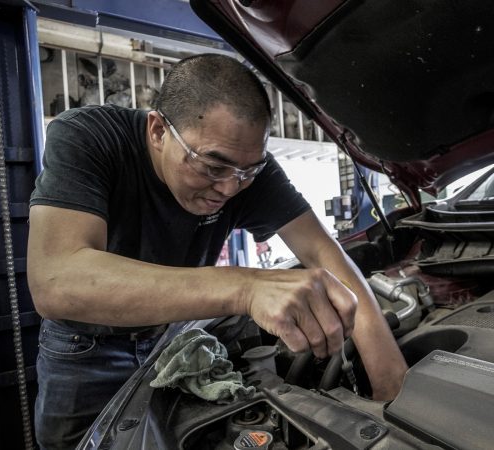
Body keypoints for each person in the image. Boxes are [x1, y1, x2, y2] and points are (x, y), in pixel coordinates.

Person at [27, 54, 408, 449]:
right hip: (86, 351)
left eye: (248, 172)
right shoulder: (91, 137)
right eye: (211, 167)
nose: (230, 189)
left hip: (173, 339)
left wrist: (389, 380)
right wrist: (247, 288)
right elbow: (57, 281)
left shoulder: (245, 170)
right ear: (158, 131)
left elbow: (322, 252)